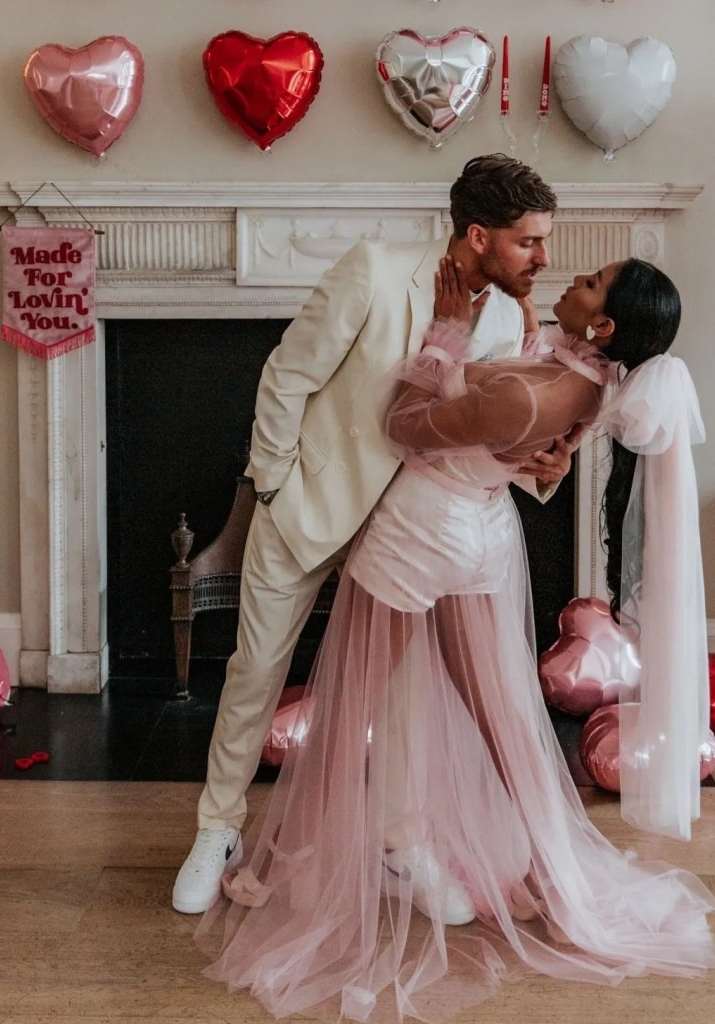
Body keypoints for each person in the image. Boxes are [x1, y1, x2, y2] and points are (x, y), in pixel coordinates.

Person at [194, 255, 715, 1023]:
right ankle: (549, 866)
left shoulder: (534, 387)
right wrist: (521, 338)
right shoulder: (586, 377)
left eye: (589, 283)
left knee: (350, 698)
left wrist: (445, 332)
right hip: (479, 536)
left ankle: (278, 869)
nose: (569, 275)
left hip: (421, 532)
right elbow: (531, 418)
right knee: (500, 711)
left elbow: (404, 426)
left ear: (604, 325)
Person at [172, 155, 582, 915]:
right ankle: (219, 828)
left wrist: (541, 470)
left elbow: (467, 431)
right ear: (478, 235)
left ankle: (399, 845)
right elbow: (287, 375)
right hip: (307, 511)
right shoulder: (374, 268)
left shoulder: (500, 318)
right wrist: (273, 484)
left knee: (402, 696)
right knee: (255, 673)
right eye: (530, 241)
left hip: (409, 539)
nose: (546, 258)